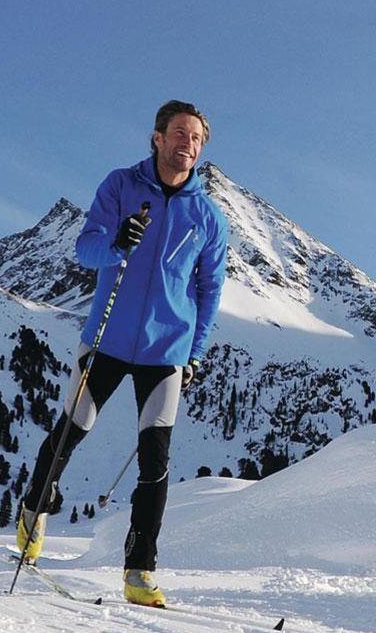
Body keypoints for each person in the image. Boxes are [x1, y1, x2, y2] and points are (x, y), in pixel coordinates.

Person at [12, 100, 227, 606]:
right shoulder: (120, 185)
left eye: (197, 138)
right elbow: (84, 249)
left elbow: (209, 291)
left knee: (155, 460)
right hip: (107, 338)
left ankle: (140, 569)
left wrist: (194, 353)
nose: (188, 144)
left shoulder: (208, 217)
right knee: (71, 430)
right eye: (180, 133)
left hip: (166, 350)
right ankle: (34, 509)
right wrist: (116, 242)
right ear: (158, 137)